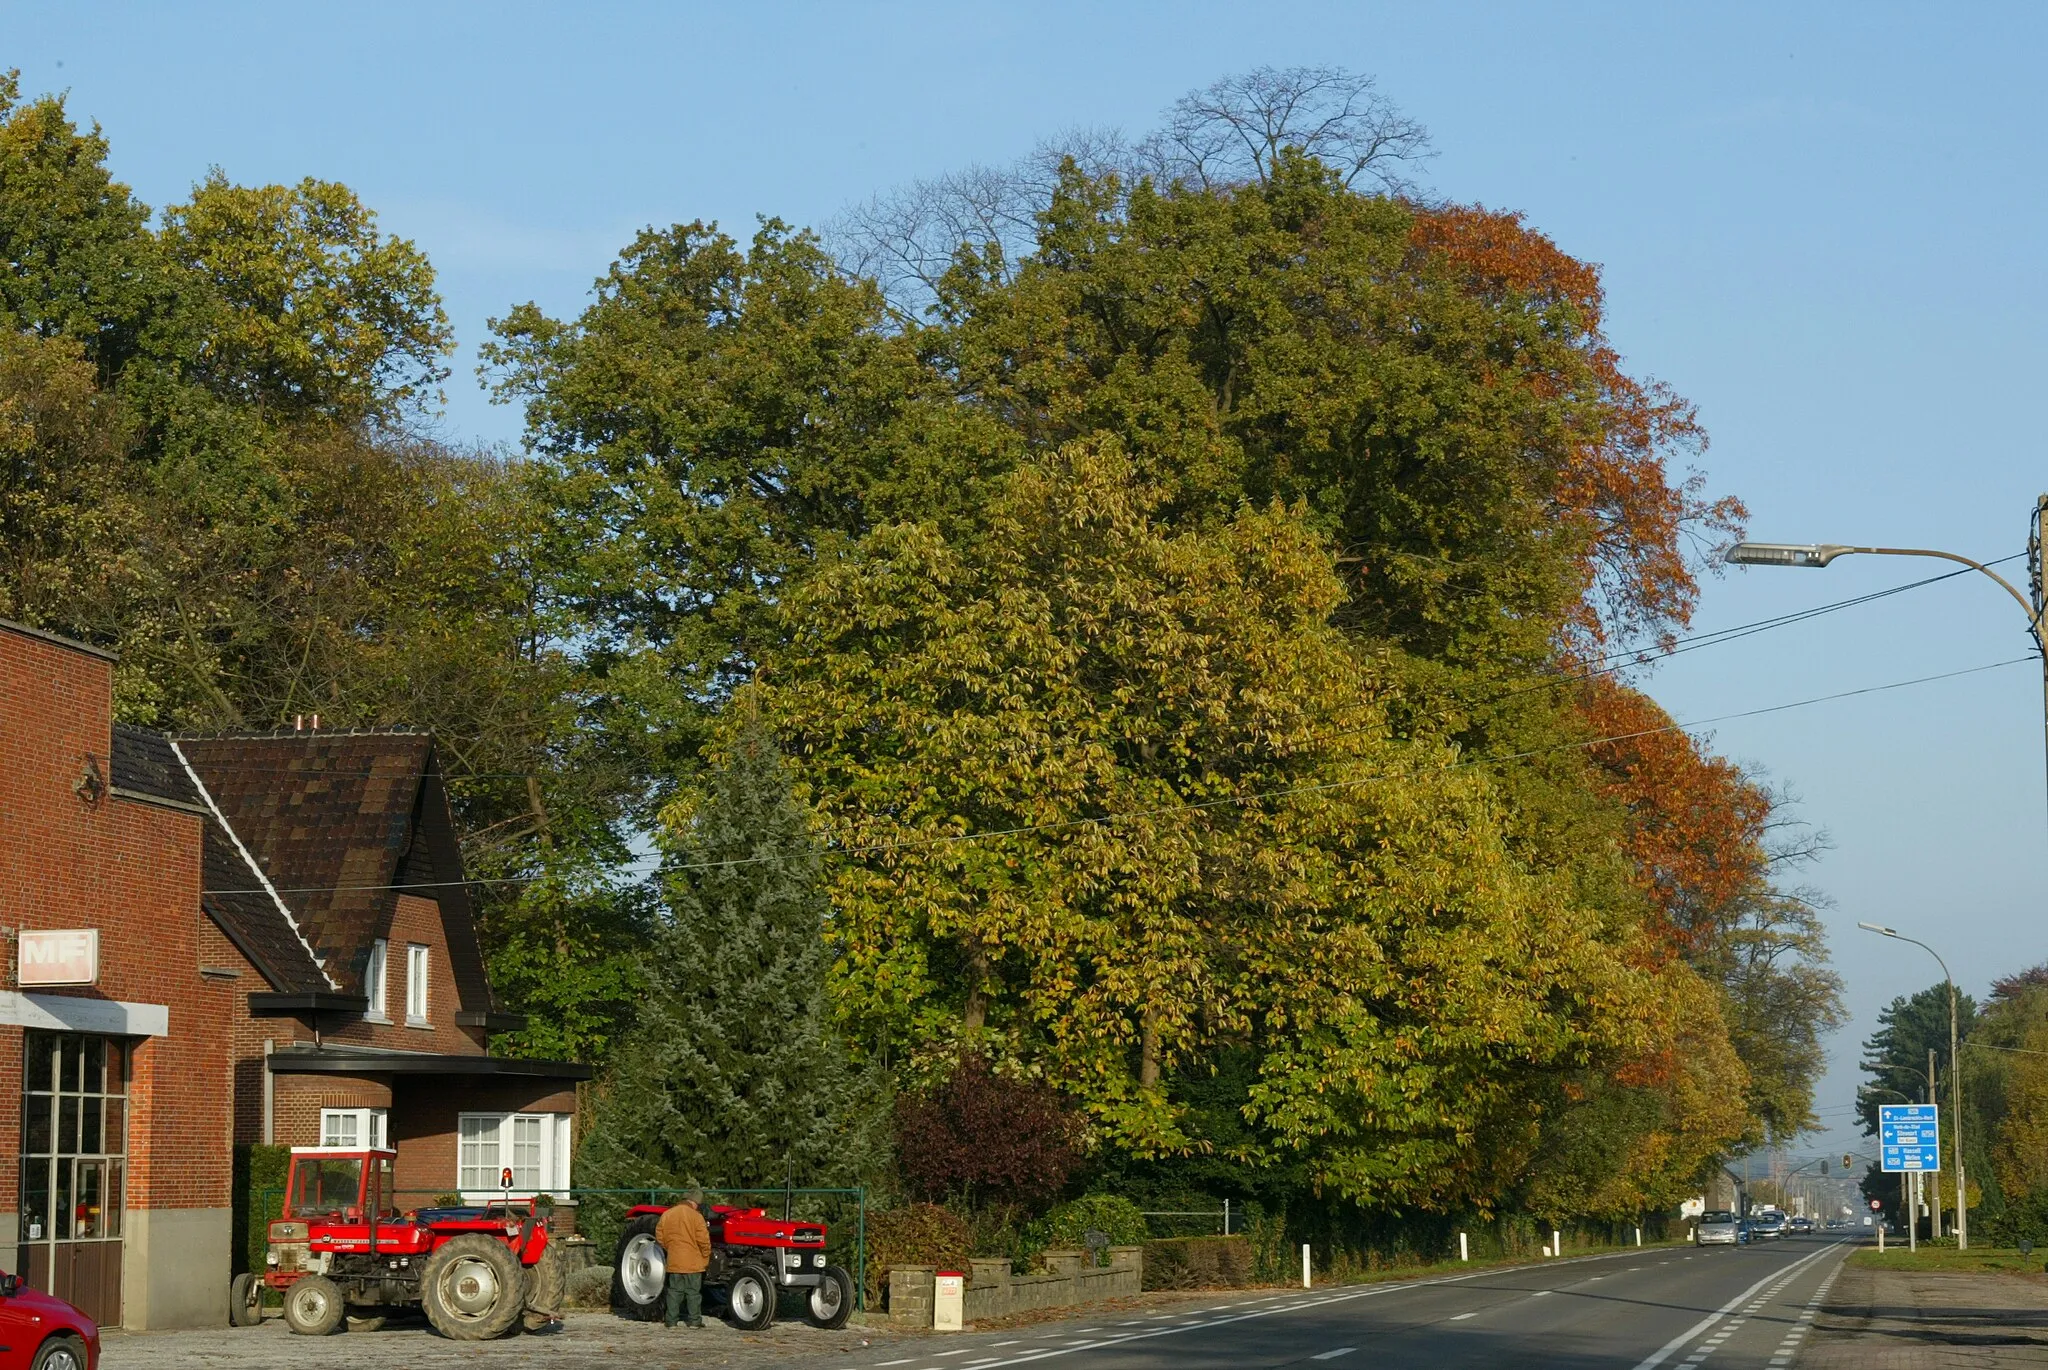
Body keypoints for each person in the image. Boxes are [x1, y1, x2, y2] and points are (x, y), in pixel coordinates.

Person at [655, 1188, 712, 1329]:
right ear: (694, 1202)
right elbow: (703, 1241)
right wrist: (706, 1256)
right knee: (693, 1293)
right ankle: (694, 1321)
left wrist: (671, 1248)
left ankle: (671, 1321)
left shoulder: (667, 1214)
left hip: (674, 1260)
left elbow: (660, 1237)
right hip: (693, 1262)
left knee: (674, 1291)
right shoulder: (696, 1217)